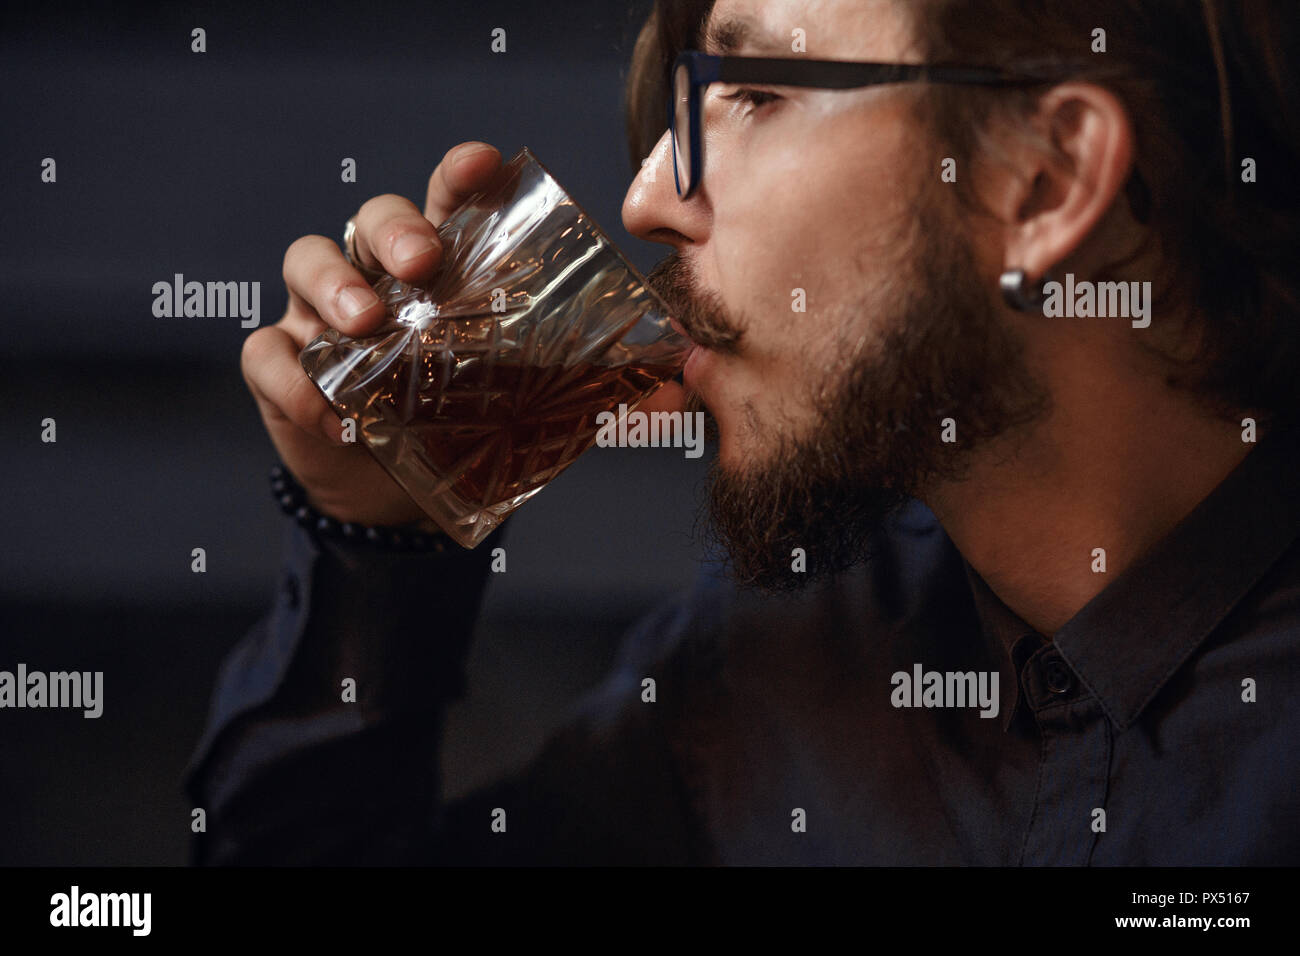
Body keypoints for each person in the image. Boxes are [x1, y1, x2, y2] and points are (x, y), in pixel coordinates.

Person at [184, 0, 1300, 864]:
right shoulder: (773, 667)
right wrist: (373, 536)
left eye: (756, 90)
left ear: (1046, 182)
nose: (645, 200)